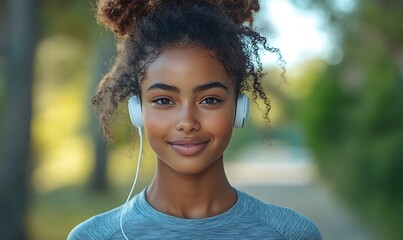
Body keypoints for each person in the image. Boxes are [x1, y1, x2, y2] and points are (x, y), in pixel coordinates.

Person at [68, 0, 322, 239]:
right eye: (164, 100)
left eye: (209, 100)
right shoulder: (94, 236)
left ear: (239, 108)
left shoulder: (291, 234)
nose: (187, 122)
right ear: (138, 110)